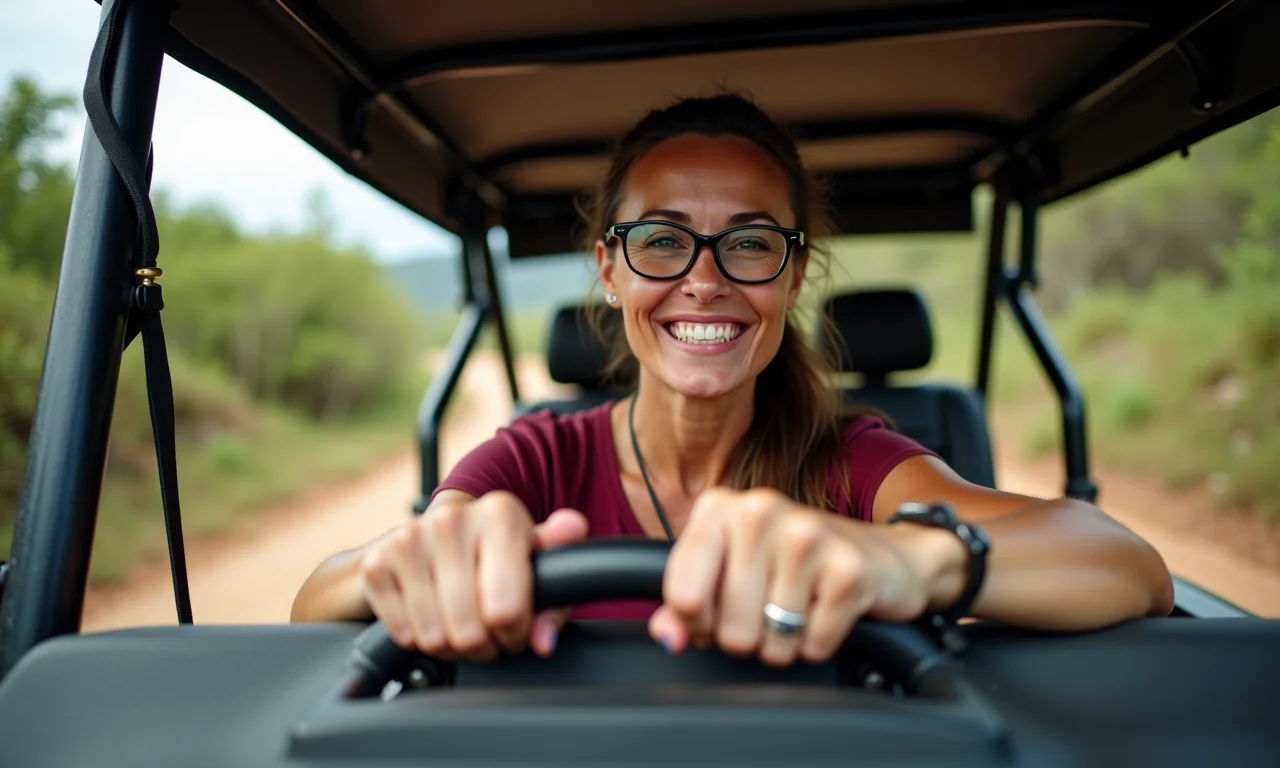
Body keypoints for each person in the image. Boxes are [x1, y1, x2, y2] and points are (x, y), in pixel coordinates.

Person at [292, 94, 1174, 668]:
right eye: (662, 241)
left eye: (751, 243)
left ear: (793, 278)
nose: (705, 280)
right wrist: (407, 558)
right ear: (610, 269)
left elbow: (1126, 565)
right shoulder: (534, 459)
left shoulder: (853, 463)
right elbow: (317, 603)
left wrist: (914, 558)